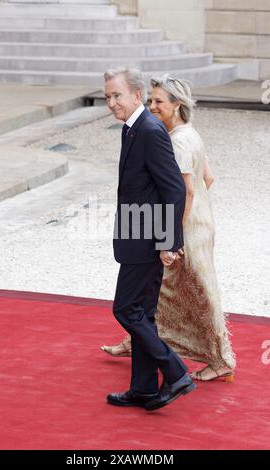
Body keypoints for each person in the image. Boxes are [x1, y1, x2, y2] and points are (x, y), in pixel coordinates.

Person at [102, 74, 236, 382]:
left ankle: (183, 364)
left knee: (170, 298)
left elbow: (182, 191)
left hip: (182, 228)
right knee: (176, 296)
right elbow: (208, 178)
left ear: (177, 105)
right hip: (197, 224)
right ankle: (146, 365)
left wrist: (169, 238)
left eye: (158, 101)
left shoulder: (175, 140)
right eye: (152, 100)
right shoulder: (188, 134)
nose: (153, 106)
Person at [104, 67, 195, 411]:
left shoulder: (150, 130)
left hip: (145, 238)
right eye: (108, 96)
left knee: (125, 309)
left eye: (117, 95)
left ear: (137, 95)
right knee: (143, 312)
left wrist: (168, 242)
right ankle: (143, 388)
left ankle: (175, 372)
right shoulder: (132, 129)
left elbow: (173, 188)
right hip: (137, 234)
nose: (111, 102)